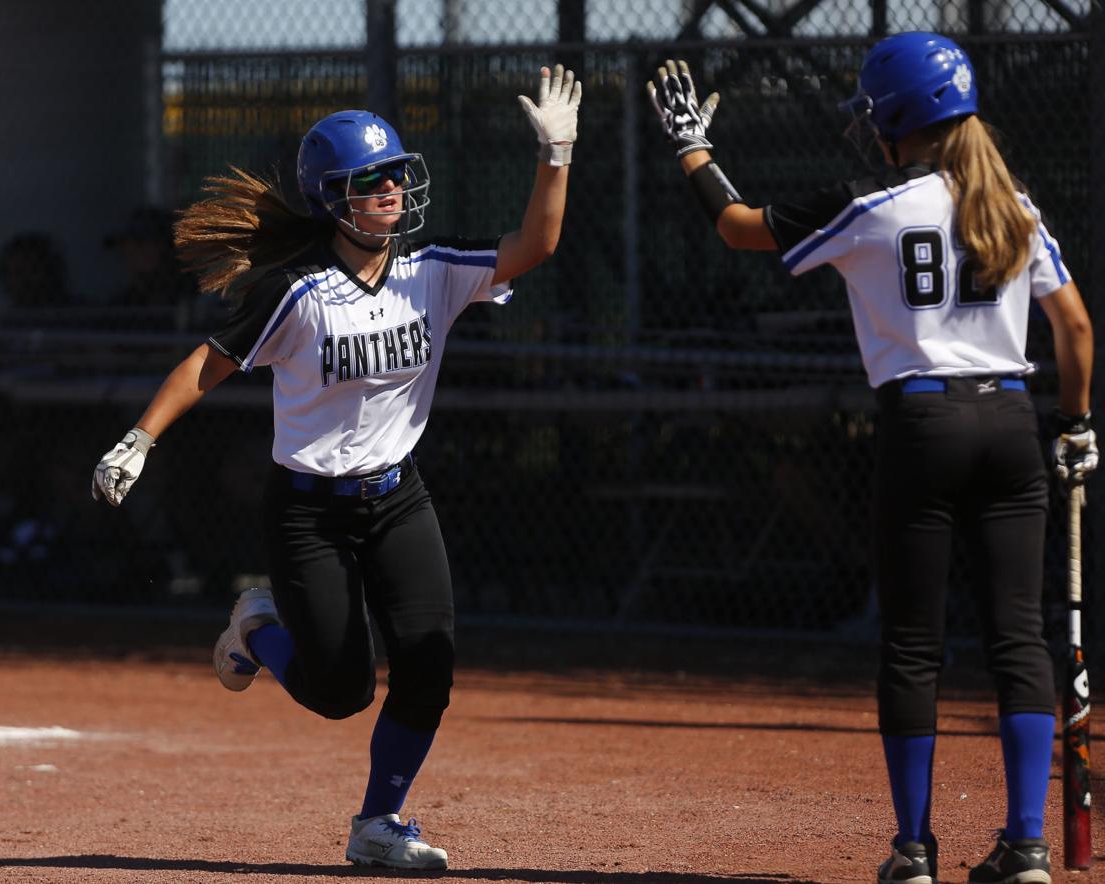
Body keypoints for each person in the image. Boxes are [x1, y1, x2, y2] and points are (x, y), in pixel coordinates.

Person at [91, 65, 582, 870]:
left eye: (396, 173)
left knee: (429, 664)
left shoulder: (432, 272)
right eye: (369, 181)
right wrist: (139, 440)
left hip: (399, 499)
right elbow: (205, 366)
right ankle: (255, 625)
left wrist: (555, 153)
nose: (391, 189)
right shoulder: (297, 293)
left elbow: (537, 245)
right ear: (331, 200)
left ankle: (377, 825)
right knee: (339, 692)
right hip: (308, 511)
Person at [647, 34, 1096, 884]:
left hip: (922, 428)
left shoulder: (875, 205)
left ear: (895, 121)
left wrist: (690, 147)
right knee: (1019, 639)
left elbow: (741, 228)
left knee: (914, 645)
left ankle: (915, 851)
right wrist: (1075, 425)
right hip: (1009, 424)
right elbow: (1074, 327)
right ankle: (1027, 846)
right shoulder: (1017, 206)